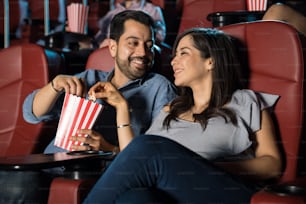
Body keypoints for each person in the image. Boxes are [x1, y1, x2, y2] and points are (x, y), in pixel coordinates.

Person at [82, 27, 282, 203]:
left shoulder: (245, 101)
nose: (174, 61)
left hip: (224, 191)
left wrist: (206, 166)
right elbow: (134, 156)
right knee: (134, 198)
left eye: (183, 53)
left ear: (210, 61)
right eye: (174, 55)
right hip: (176, 194)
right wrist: (121, 107)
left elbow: (272, 164)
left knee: (148, 147)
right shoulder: (172, 109)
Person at [23, 10, 176, 156]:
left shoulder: (160, 88)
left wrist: (109, 149)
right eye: (133, 43)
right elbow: (31, 114)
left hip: (95, 172)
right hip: (52, 161)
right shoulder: (90, 77)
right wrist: (54, 85)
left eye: (149, 46)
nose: (143, 52)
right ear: (113, 48)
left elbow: (158, 154)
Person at [94, 0, 166, 48]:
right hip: (109, 50)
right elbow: (100, 37)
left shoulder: (152, 10)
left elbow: (159, 36)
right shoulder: (113, 12)